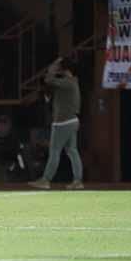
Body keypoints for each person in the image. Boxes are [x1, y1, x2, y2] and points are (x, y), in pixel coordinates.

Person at [30, 57, 84, 190]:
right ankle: (77, 181)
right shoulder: (71, 83)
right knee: (72, 151)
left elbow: (49, 80)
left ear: (65, 69)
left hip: (63, 123)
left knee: (54, 151)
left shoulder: (67, 82)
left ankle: (46, 180)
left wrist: (52, 68)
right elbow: (51, 89)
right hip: (72, 121)